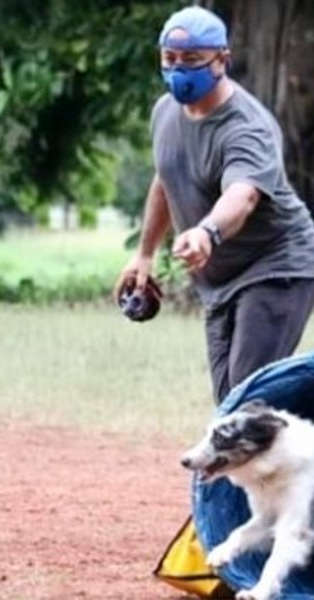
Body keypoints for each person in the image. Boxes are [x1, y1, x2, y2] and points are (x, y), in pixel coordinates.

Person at [114, 5, 314, 404]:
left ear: (221, 59)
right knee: (231, 402)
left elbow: (243, 195)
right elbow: (166, 177)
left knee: (247, 396)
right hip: (219, 281)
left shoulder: (246, 127)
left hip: (276, 266)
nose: (178, 69)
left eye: (191, 60)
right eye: (170, 59)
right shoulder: (165, 112)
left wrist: (208, 231)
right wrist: (144, 254)